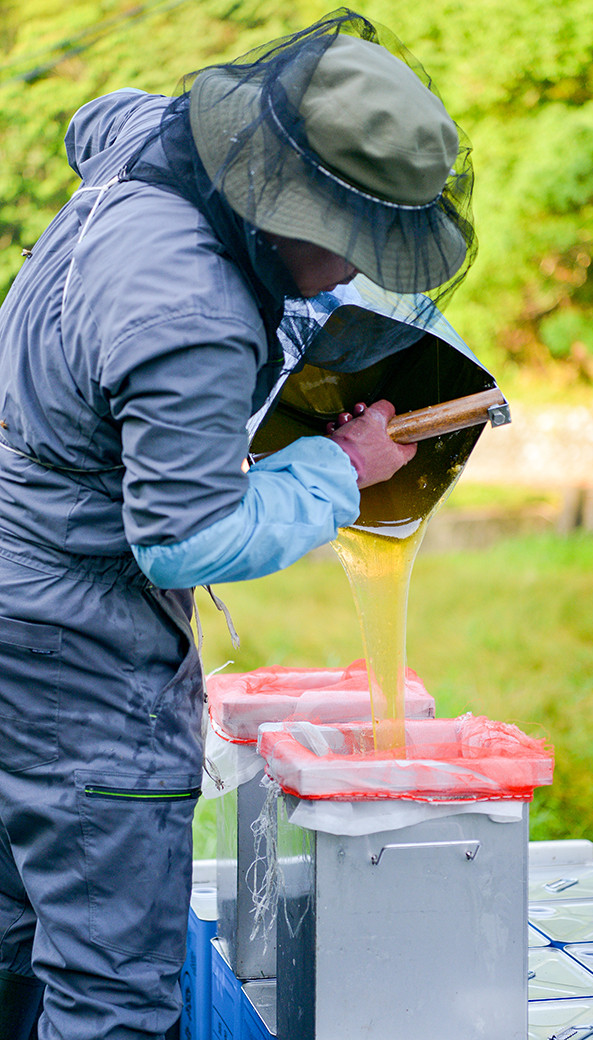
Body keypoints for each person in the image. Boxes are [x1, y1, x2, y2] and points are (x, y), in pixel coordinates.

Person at [0, 10, 476, 1038]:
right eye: (355, 246)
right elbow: (182, 533)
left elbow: (94, 122)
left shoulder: (152, 140)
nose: (360, 271)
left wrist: (405, 344)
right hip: (76, 653)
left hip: (14, 584)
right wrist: (340, 469)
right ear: (287, 203)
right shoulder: (193, 315)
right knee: (111, 991)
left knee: (16, 925)